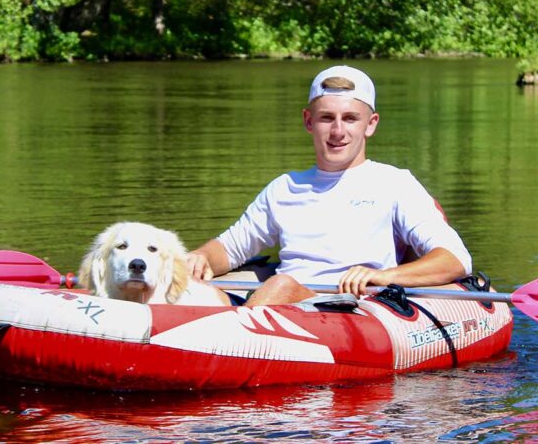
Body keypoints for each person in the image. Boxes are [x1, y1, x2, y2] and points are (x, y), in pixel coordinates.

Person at [185, 65, 472, 305]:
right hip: (281, 308)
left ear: (370, 124)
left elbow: (455, 259)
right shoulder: (283, 188)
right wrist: (200, 257)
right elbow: (230, 249)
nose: (337, 131)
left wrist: (384, 276)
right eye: (326, 118)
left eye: (350, 119)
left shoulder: (395, 184)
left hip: (355, 312)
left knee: (281, 285)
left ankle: (235, 339)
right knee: (192, 289)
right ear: (309, 121)